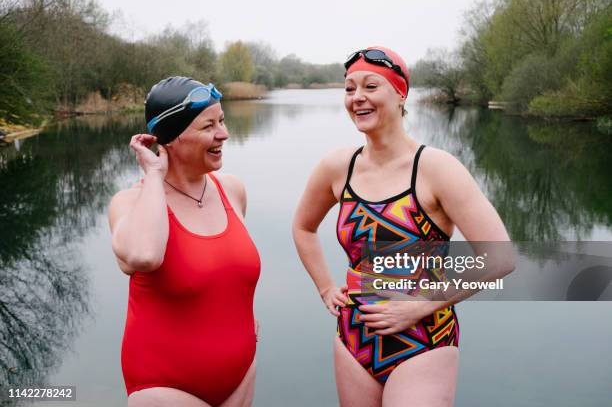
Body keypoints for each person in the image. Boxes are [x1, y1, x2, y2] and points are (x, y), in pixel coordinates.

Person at [292, 47, 512, 406]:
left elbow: (500, 258)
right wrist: (325, 287)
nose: (357, 98)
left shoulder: (437, 168)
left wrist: (420, 305)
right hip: (354, 339)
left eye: (370, 86)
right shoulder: (337, 167)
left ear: (400, 93)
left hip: (424, 339)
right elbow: (303, 227)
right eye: (349, 89)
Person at [108, 76, 260, 407]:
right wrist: (154, 176)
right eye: (208, 126)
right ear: (172, 138)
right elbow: (143, 256)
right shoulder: (130, 203)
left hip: (240, 376)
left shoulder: (232, 190)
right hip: (163, 388)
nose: (224, 133)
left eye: (222, 120)